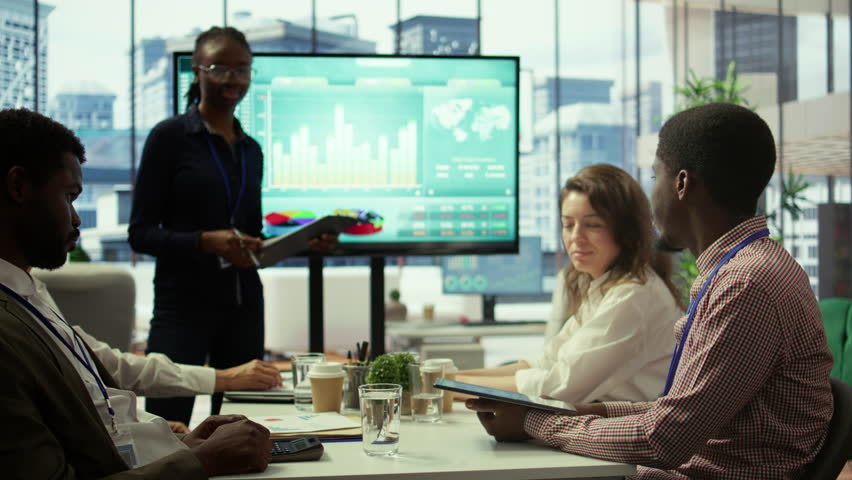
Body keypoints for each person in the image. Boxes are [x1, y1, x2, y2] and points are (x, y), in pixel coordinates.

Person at [466, 103, 833, 479]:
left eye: (655, 174)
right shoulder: (739, 270)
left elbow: (665, 440)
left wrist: (536, 424)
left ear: (681, 184)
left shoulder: (744, 285)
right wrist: (592, 413)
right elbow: (677, 412)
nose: (651, 191)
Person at [0, 108, 271, 478]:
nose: (77, 219)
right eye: (69, 196)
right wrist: (200, 461)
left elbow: (104, 377)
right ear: (18, 187)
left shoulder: (28, 292)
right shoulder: (7, 328)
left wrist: (169, 444)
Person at [128, 26, 335, 425]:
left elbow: (251, 236)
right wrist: (205, 242)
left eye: (242, 70)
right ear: (196, 70)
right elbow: (140, 233)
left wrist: (309, 243)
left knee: (242, 425)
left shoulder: (250, 149)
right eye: (220, 68)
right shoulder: (169, 138)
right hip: (181, 306)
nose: (233, 80)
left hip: (242, 304)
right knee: (166, 426)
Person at [456, 164, 683, 404]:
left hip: (627, 433)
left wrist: (452, 386)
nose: (576, 237)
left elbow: (560, 386)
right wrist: (451, 378)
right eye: (568, 224)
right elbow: (548, 361)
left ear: (626, 230)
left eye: (592, 225)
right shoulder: (604, 285)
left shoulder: (634, 297)